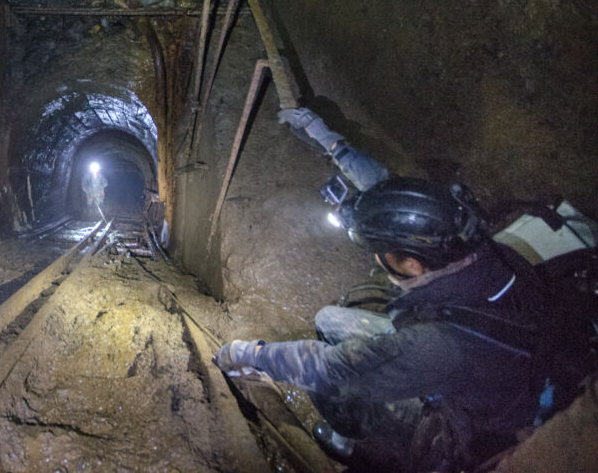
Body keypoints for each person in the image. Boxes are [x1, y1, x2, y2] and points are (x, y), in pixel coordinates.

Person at [214, 108, 594, 472]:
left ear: (411, 264)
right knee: (329, 319)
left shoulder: (436, 346)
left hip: (484, 415)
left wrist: (249, 353)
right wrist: (326, 138)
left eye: (379, 253)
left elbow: (330, 367)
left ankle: (356, 444)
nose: (375, 259)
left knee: (333, 383)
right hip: (503, 362)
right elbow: (387, 189)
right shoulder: (468, 241)